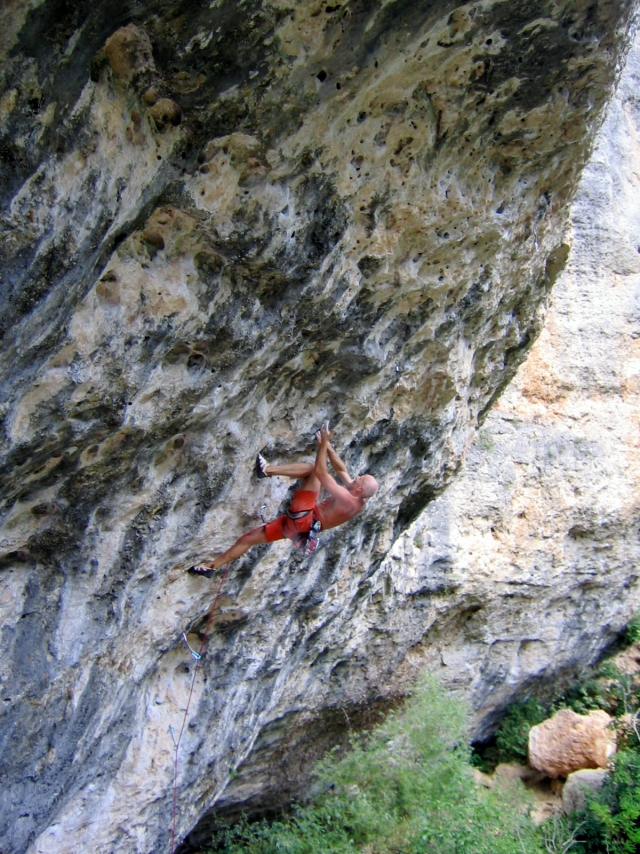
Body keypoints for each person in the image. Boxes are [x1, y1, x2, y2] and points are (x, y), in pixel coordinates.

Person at [188, 423, 378, 576]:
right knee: (249, 539)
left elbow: (321, 472)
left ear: (359, 488)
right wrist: (327, 444)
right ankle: (212, 566)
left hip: (304, 518)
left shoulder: (348, 499)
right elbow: (342, 470)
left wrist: (321, 447)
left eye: (360, 478)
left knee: (313, 469)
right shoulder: (359, 496)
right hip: (300, 528)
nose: (357, 476)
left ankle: (268, 470)